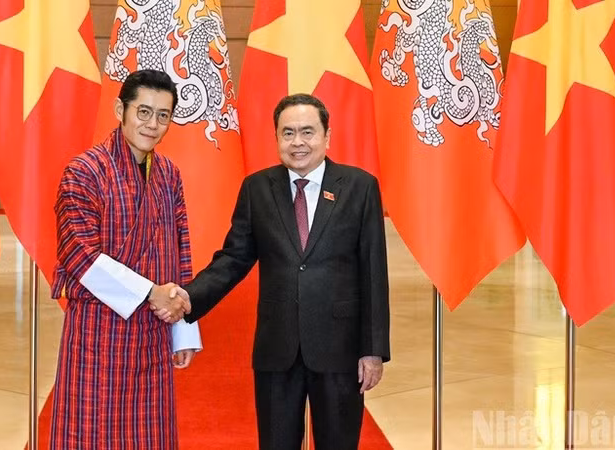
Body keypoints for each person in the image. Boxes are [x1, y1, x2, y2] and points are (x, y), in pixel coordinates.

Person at [173, 94, 390, 449]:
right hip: (277, 349)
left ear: (327, 136)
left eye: (308, 131)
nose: (298, 142)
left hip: (341, 350)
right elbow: (233, 259)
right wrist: (187, 297)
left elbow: (374, 274)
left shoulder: (360, 187)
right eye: (288, 133)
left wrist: (374, 349)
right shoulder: (258, 188)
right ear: (276, 138)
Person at [49, 69, 201, 449]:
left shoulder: (168, 174)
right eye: (144, 111)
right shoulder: (83, 171)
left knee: (150, 436)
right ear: (121, 108)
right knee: (91, 435)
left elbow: (179, 248)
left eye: (163, 115)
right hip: (99, 334)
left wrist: (183, 327)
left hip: (154, 332)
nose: (152, 124)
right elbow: (80, 254)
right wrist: (151, 293)